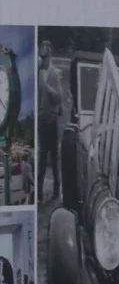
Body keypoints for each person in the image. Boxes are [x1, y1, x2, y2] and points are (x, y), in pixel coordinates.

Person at [37, 40, 62, 202]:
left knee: (54, 158)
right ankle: (38, 193)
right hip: (40, 121)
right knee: (41, 158)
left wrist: (47, 87)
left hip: (52, 122)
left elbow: (59, 96)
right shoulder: (38, 71)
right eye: (43, 46)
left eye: (47, 47)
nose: (44, 50)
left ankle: (56, 191)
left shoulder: (54, 72)